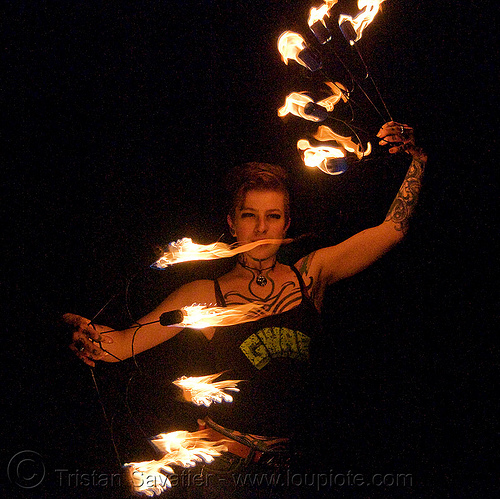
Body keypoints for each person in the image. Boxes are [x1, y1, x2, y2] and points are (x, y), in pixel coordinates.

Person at [64, 121, 427, 496]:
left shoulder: (310, 276)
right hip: (223, 471)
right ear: (232, 224)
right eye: (249, 215)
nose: (261, 228)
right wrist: (86, 335)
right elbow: (122, 345)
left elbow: (393, 228)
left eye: (272, 216)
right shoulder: (207, 294)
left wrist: (418, 159)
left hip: (293, 469)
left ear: (286, 223)